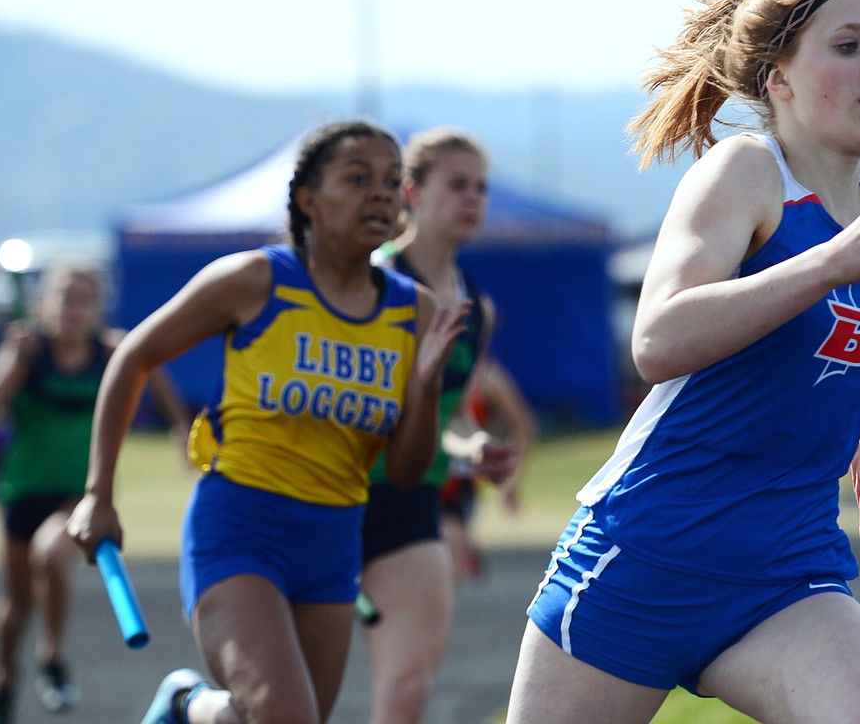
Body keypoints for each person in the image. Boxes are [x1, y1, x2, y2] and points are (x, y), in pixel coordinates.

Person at [507, 0, 860, 723]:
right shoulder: (746, 172)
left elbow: (858, 318)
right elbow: (659, 339)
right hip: (647, 557)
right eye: (849, 45)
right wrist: (836, 258)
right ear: (780, 80)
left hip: (786, 567)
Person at [65, 120, 469, 724]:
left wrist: (428, 385)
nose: (380, 194)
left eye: (391, 182)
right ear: (308, 199)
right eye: (358, 179)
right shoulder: (255, 280)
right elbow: (134, 356)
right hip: (241, 529)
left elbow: (408, 473)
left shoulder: (415, 311)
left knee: (269, 717)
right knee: (286, 715)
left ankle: (190, 706)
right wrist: (98, 495)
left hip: (334, 543)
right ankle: (193, 701)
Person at [0, 263, 190, 724]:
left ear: (96, 308)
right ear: (45, 305)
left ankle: (52, 659)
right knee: (15, 605)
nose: (73, 309)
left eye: (83, 300)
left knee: (51, 556)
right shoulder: (29, 352)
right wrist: (12, 362)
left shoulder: (110, 351)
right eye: (65, 298)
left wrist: (180, 428)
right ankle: (3, 681)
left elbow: (156, 374)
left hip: (81, 494)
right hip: (22, 492)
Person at [358, 126, 522, 724]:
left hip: (410, 504)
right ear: (412, 192)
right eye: (457, 185)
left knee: (406, 694)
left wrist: (475, 446)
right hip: (323, 501)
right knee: (281, 702)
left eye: (480, 187)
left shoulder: (479, 308)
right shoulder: (366, 281)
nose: (473, 198)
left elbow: (452, 413)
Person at [440, 355, 537, 582]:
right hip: (415, 483)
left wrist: (513, 482)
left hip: (456, 488)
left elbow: (523, 425)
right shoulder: (411, 361)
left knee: (448, 569)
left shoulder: (485, 377)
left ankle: (463, 548)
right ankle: (467, 547)